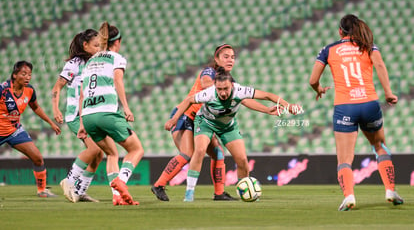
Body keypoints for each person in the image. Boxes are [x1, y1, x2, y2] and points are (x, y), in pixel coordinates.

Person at [152, 44, 274, 201]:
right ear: (216, 59)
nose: (230, 60)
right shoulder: (210, 72)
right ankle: (159, 185)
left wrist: (264, 109)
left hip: (204, 119)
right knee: (188, 152)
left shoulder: (230, 82)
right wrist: (220, 90)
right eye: (226, 57)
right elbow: (205, 83)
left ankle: (219, 193)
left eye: (232, 57)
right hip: (186, 115)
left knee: (218, 154)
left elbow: (243, 100)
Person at [309, 14, 404, 211]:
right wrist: (388, 92)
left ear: (340, 31)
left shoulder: (329, 49)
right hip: (369, 103)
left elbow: (312, 80)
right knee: (380, 146)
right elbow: (379, 65)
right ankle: (390, 191)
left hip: (345, 107)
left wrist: (318, 89)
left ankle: (350, 197)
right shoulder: (368, 46)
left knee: (344, 159)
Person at [165, 67, 301, 201]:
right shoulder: (209, 93)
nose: (223, 93)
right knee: (199, 150)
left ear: (232, 85)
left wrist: (286, 106)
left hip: (227, 127)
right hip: (205, 123)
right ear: (215, 87)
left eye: (226, 89)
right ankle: (189, 192)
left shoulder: (240, 90)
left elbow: (267, 95)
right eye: (220, 89)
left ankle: (246, 191)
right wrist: (174, 119)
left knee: (242, 160)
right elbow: (189, 100)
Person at [77, 22, 144, 206]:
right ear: (118, 41)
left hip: (89, 116)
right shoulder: (116, 57)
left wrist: (82, 124)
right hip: (106, 112)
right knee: (136, 149)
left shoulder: (90, 61)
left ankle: (117, 196)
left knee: (112, 154)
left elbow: (82, 93)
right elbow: (117, 80)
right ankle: (121, 182)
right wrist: (126, 107)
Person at [52, 29, 104, 203]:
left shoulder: (96, 63)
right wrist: (56, 109)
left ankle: (80, 191)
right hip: (75, 115)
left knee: (99, 154)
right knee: (94, 149)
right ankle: (69, 181)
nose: (98, 48)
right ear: (85, 45)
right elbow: (57, 87)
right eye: (95, 45)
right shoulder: (74, 64)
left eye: (100, 45)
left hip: (90, 114)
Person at [0, 61, 61, 197]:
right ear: (15, 75)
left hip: (15, 131)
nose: (28, 77)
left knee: (38, 158)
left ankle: (42, 191)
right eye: (24, 74)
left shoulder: (30, 90)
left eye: (29, 74)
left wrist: (50, 122)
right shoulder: (2, 89)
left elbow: (36, 107)